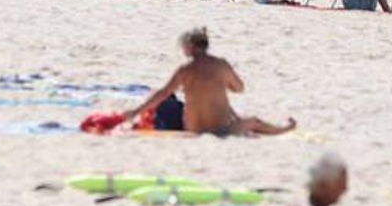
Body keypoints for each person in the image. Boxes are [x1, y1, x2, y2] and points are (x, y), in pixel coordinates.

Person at [121, 27, 295, 136]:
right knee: (253, 121)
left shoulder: (185, 70)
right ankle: (282, 130)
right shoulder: (221, 65)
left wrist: (135, 112)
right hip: (221, 129)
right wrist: (221, 83)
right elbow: (239, 88)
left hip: (192, 128)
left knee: (176, 100)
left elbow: (162, 94)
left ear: (190, 47)